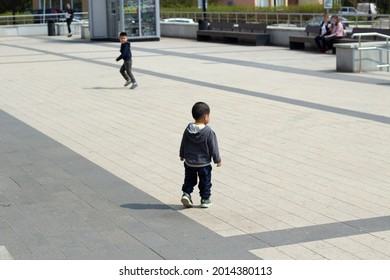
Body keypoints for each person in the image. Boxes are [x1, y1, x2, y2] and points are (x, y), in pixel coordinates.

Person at [179, 102, 222, 208]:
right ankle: (205, 199)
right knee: (205, 181)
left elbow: (184, 142)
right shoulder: (208, 131)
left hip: (190, 163)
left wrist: (182, 154)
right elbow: (213, 147)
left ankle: (186, 194)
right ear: (205, 117)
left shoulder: (188, 129)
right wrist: (217, 160)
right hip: (204, 163)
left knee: (189, 179)